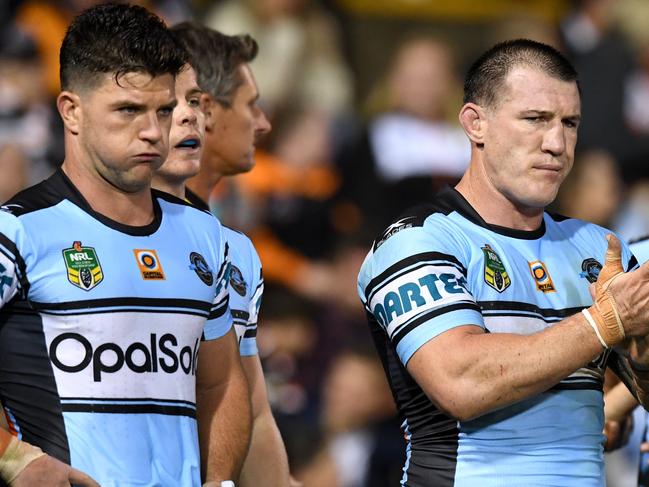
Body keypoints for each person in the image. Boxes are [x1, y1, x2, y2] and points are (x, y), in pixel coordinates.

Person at [357, 38, 649, 486]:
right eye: (535, 120)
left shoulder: (599, 247)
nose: (557, 143)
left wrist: (639, 345)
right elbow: (462, 382)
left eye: (570, 123)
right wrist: (603, 324)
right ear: (476, 124)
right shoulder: (418, 241)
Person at [0, 4, 250, 486]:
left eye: (164, 110)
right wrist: (13, 458)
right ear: (71, 111)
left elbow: (220, 383)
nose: (153, 132)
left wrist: (217, 482)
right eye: (129, 111)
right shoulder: (18, 232)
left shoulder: (206, 236)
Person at [151, 23, 293, 486]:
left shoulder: (237, 252)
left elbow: (251, 411)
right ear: (207, 110)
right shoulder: (78, 227)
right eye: (252, 105)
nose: (264, 123)